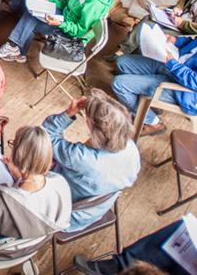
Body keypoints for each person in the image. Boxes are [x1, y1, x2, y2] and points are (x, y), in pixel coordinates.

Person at [111, 0, 197, 137]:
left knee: (119, 84)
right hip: (179, 66)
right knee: (123, 62)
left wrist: (172, 63)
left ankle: (153, 122)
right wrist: (177, 41)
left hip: (186, 91)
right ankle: (145, 100)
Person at [43, 90, 140, 231]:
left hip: (62, 215)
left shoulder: (81, 158)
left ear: (96, 130)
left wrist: (69, 113)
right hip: (92, 212)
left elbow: (46, 135)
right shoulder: (131, 149)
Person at [0, 125, 72, 240]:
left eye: (13, 145)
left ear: (18, 154)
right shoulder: (60, 183)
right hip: (29, 245)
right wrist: (18, 174)